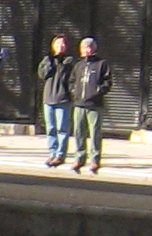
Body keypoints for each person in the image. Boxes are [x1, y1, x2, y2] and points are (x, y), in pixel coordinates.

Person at [66, 35, 112, 171]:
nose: (85, 50)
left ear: (93, 49)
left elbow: (107, 82)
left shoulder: (101, 64)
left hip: (94, 105)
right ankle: (79, 158)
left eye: (88, 47)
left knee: (95, 133)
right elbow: (72, 81)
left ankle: (95, 159)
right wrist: (74, 91)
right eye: (83, 47)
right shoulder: (79, 65)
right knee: (78, 132)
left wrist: (99, 91)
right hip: (79, 104)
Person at [36, 31, 73, 163]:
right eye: (57, 44)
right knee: (50, 128)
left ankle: (60, 154)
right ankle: (52, 153)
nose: (60, 46)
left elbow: (68, 77)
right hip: (48, 98)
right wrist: (50, 60)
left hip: (63, 98)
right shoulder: (47, 60)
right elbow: (43, 75)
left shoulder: (69, 61)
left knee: (62, 128)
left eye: (62, 44)